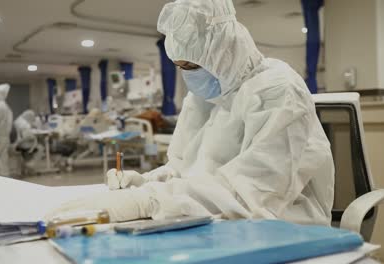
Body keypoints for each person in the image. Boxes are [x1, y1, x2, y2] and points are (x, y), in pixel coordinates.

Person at [50, 0, 334, 226]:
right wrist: (148, 182)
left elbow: (252, 196)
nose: (188, 77)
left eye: (191, 66)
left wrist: (148, 201)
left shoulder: (277, 91)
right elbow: (185, 170)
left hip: (286, 228)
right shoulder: (205, 95)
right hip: (219, 222)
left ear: (224, 52)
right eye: (180, 67)